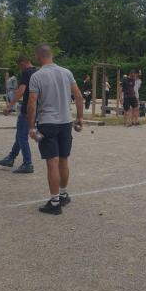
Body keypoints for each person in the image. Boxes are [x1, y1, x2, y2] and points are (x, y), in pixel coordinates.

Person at [27, 44, 84, 215]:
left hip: (48, 123)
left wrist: (31, 127)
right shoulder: (67, 73)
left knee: (52, 162)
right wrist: (80, 117)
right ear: (51, 55)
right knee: (64, 160)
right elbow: (79, 96)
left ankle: (54, 203)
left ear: (38, 57)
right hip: (66, 123)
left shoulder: (37, 76)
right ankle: (63, 194)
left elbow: (31, 103)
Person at [0, 56, 37, 173]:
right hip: (37, 109)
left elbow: (21, 90)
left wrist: (10, 106)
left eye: (20, 66)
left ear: (24, 62)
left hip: (27, 110)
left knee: (22, 137)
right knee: (20, 135)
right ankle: (11, 158)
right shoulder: (38, 72)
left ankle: (27, 163)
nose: (20, 69)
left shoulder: (27, 73)